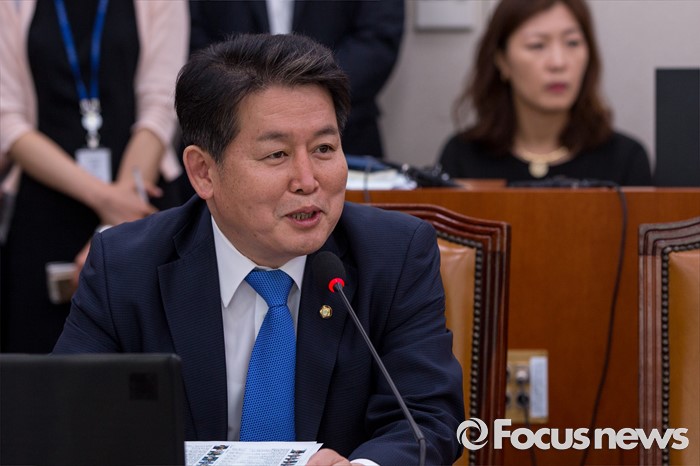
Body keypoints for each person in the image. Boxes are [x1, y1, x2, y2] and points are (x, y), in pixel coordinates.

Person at [53, 34, 464, 465]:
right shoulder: (125, 267)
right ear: (203, 171)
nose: (307, 180)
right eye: (276, 155)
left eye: (324, 149)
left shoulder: (395, 256)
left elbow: (427, 417)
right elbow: (69, 421)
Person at [0, 1, 188, 353]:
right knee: (42, 363)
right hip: (45, 204)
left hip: (141, 198)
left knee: (146, 360)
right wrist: (106, 200)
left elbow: (163, 103)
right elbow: (8, 120)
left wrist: (114, 224)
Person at [437, 0, 652, 186]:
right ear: (502, 61)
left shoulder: (625, 159)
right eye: (537, 45)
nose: (558, 63)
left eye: (572, 43)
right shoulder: (461, 157)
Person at [188, 0, 404, 160]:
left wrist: (307, 96)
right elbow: (194, 41)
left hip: (346, 135)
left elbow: (377, 39)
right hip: (228, 137)